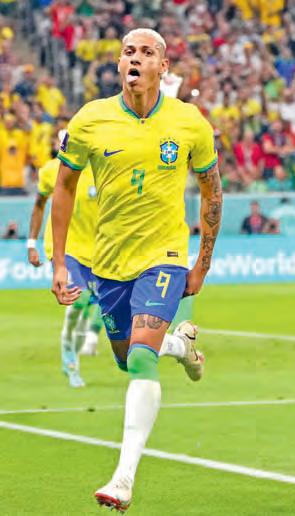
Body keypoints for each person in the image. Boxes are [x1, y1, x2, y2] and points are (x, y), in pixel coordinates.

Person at [50, 28, 222, 511]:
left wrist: (201, 263)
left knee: (142, 360)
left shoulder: (189, 123)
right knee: (128, 358)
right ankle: (180, 346)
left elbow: (212, 191)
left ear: (163, 67)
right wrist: (60, 262)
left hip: (164, 256)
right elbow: (64, 188)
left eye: (147, 53)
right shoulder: (91, 119)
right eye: (129, 51)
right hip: (108, 262)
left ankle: (122, 479)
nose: (136, 59)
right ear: (119, 63)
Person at [28, 135, 102, 387]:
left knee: (95, 303)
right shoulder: (51, 171)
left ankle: (81, 344)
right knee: (78, 298)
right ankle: (70, 360)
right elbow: (39, 204)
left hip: (96, 250)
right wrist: (31, 243)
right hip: (65, 248)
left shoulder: (100, 170)